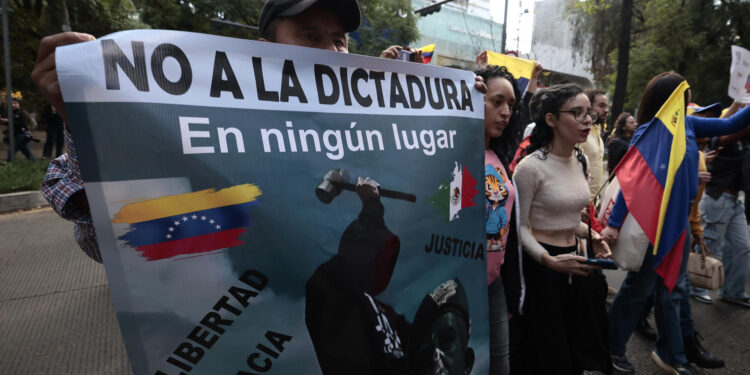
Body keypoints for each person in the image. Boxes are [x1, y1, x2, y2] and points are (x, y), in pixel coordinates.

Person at [32, 0, 363, 262]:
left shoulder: (374, 132)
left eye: (338, 41)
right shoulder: (210, 135)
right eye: (311, 36)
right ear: (265, 51)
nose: (331, 54)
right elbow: (122, 246)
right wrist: (85, 122)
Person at [602, 72, 750, 375]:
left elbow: (730, 124)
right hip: (653, 224)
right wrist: (614, 224)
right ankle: (611, 350)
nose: (687, 101)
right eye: (685, 95)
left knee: (672, 291)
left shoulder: (690, 124)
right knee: (638, 290)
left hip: (678, 225)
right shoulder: (650, 131)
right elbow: (632, 180)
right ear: (672, 99)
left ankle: (672, 354)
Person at [513, 83, 612, 374]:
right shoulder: (530, 167)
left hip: (576, 262)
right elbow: (519, 227)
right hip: (542, 270)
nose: (587, 121)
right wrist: (548, 260)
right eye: (577, 113)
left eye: (588, 113)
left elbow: (569, 217)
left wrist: (591, 234)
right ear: (551, 120)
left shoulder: (579, 159)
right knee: (547, 350)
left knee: (574, 344)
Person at [476, 64, 523, 375]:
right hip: (455, 281)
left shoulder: (499, 158)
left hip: (493, 285)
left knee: (499, 367)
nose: (506, 112)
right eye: (496, 102)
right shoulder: (441, 152)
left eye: (511, 105)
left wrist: (507, 288)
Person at [693, 100, 750, 308]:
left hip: (735, 201)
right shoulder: (725, 136)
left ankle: (733, 291)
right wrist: (739, 103)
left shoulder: (744, 140)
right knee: (711, 246)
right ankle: (697, 286)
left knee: (743, 248)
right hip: (718, 199)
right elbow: (728, 129)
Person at [580, 89, 609, 200]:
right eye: (601, 106)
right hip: (580, 201)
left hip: (593, 201)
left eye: (607, 107)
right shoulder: (581, 132)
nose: (606, 110)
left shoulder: (597, 132)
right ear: (588, 107)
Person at [2, 97, 36, 161]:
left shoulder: (22, 113)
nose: (13, 105)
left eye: (15, 103)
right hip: (15, 134)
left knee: (11, 151)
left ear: (19, 104)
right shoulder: (12, 113)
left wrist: (8, 121)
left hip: (21, 135)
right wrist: (4, 122)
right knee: (26, 151)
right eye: (11, 103)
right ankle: (34, 162)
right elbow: (11, 124)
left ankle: (9, 165)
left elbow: (21, 124)